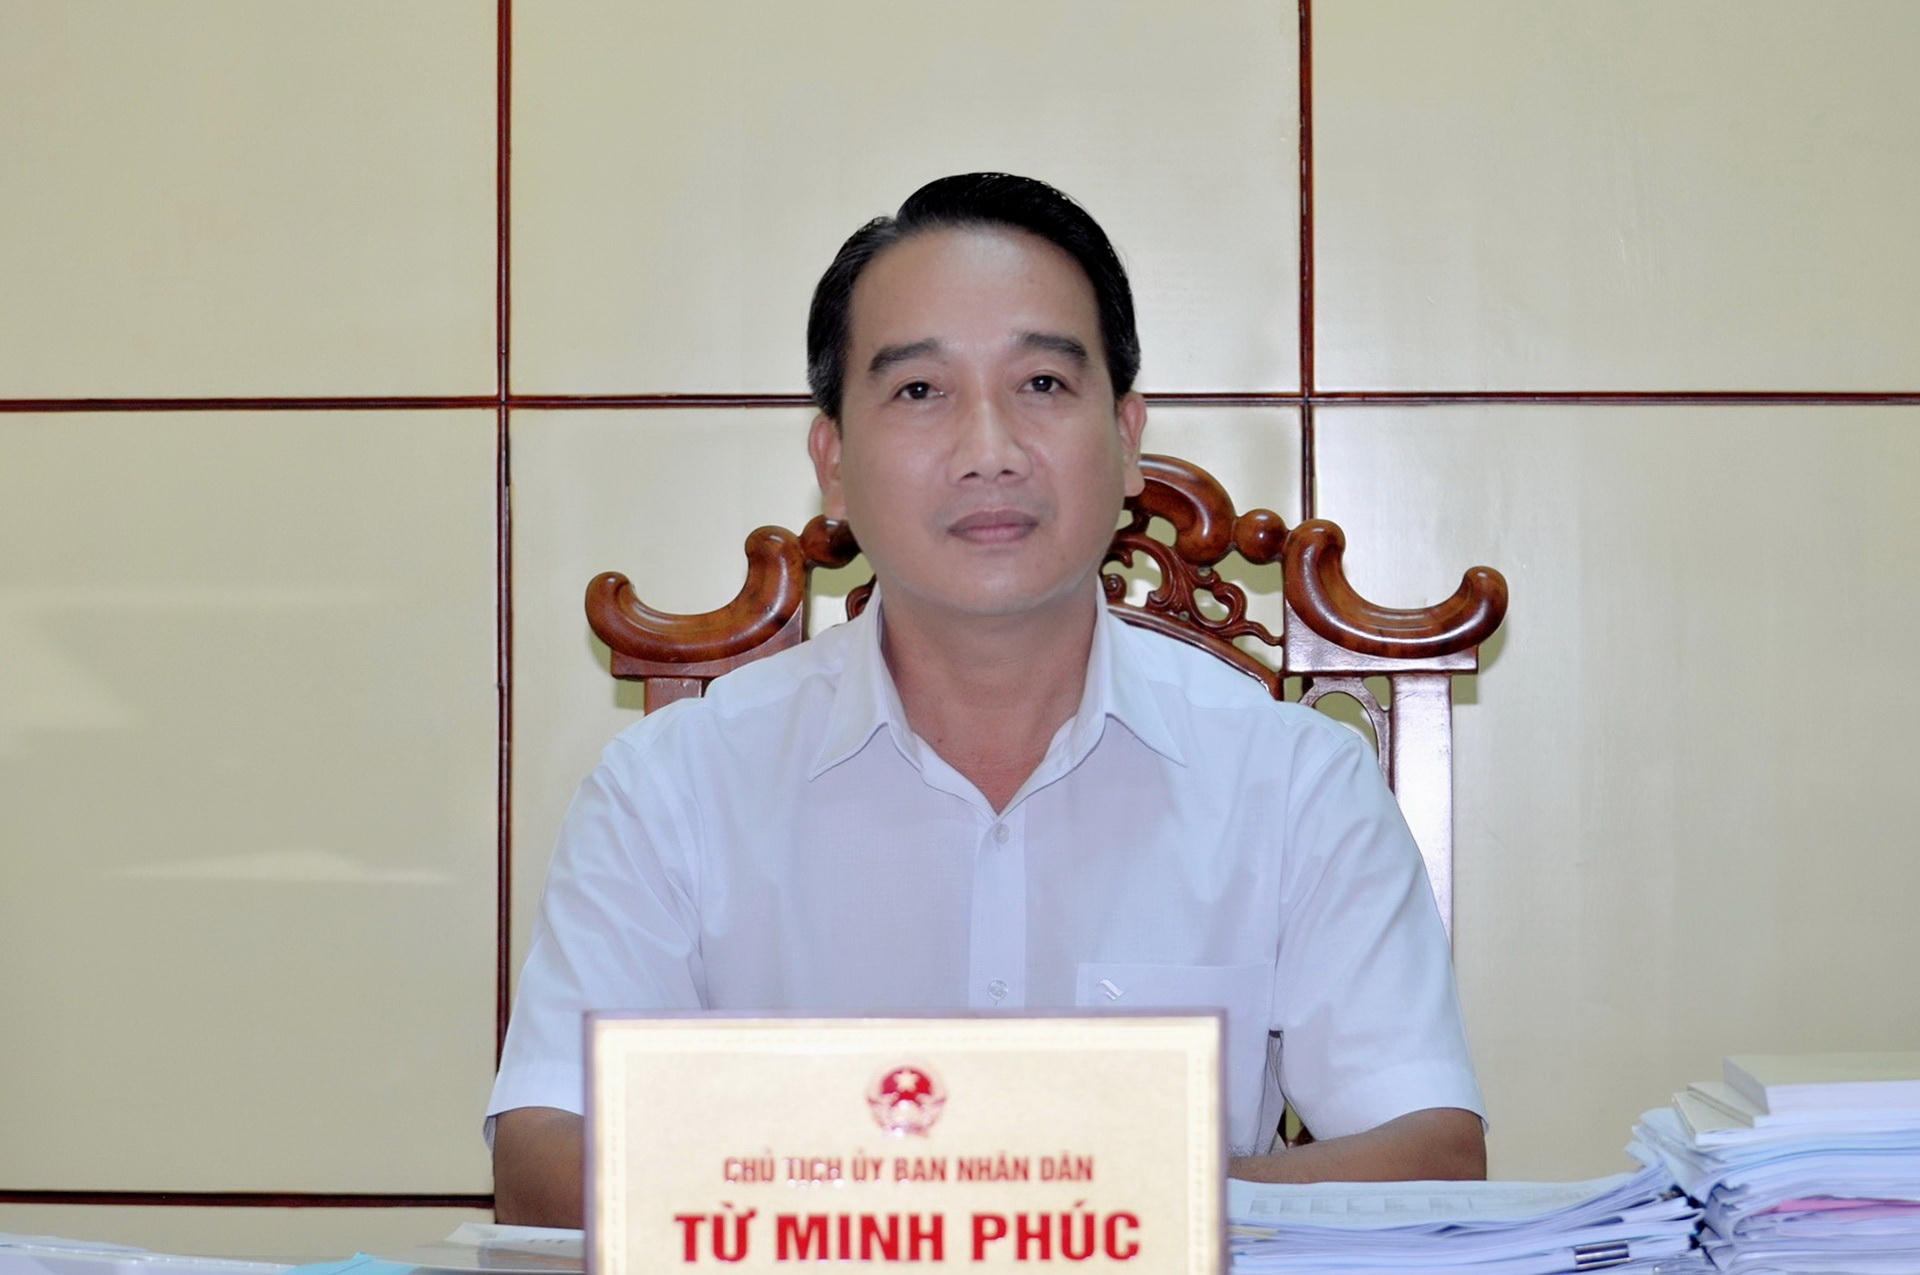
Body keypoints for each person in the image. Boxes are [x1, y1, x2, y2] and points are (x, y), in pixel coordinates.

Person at [487, 173, 1486, 1226]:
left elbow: (1428, 1154)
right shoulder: (673, 786)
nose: (990, 452)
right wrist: (965, 1205)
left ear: (1127, 437)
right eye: (920, 391)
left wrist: (1043, 1204)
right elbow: (545, 1160)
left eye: (1042, 383)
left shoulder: (1295, 781)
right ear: (833, 462)